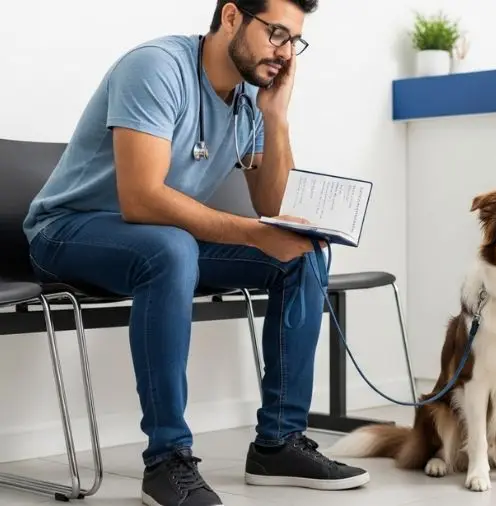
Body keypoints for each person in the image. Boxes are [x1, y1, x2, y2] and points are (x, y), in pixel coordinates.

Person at [22, 0, 370, 505]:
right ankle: (167, 459)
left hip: (162, 240)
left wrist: (276, 117)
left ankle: (279, 443)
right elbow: (141, 199)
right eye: (276, 33)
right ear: (232, 17)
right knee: (170, 247)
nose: (286, 51)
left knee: (303, 253)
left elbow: (272, 206)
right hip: (66, 233)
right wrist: (251, 233)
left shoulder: (250, 97)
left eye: (295, 40)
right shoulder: (157, 68)